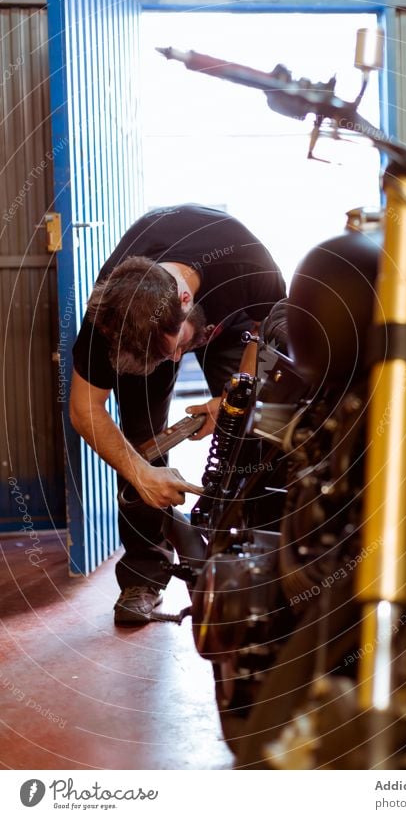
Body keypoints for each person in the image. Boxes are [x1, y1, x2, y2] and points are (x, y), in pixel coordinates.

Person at [69, 204, 286, 624]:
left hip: (235, 324)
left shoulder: (246, 262)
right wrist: (140, 473)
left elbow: (270, 330)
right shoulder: (112, 313)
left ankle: (259, 555)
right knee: (138, 440)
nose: (173, 361)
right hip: (154, 326)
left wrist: (230, 399)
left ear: (186, 301)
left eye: (176, 350)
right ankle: (143, 577)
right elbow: (84, 408)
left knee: (255, 421)